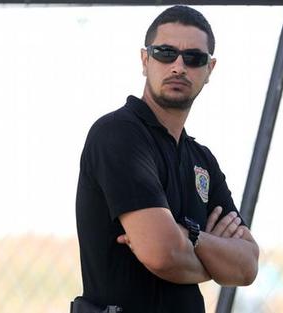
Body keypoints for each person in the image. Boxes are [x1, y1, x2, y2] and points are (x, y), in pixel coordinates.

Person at [75, 6, 259, 313]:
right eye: (165, 53)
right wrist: (214, 262)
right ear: (145, 61)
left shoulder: (202, 160)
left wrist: (190, 237)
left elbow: (247, 266)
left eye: (194, 58)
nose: (178, 67)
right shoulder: (118, 135)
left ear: (209, 69)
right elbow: (161, 253)